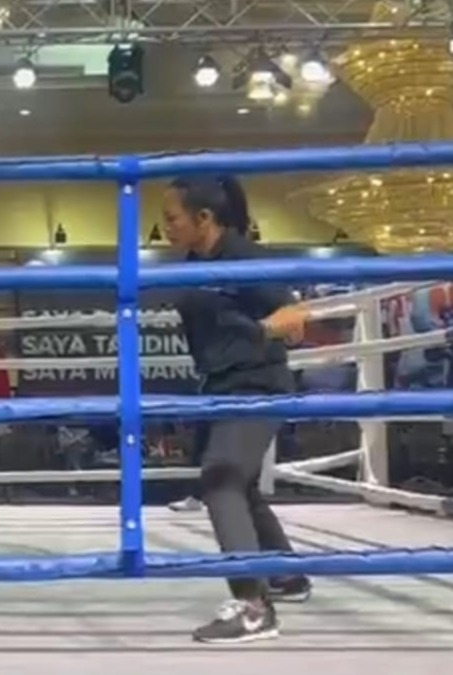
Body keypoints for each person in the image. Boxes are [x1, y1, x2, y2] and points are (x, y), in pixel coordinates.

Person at [161, 174, 313, 644]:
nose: (165, 227)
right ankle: (285, 575)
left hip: (257, 384)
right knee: (238, 484)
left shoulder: (243, 257)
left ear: (204, 217)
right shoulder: (195, 262)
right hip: (223, 386)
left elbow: (295, 321)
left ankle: (253, 607)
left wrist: (257, 333)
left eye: (172, 218)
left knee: (221, 480)